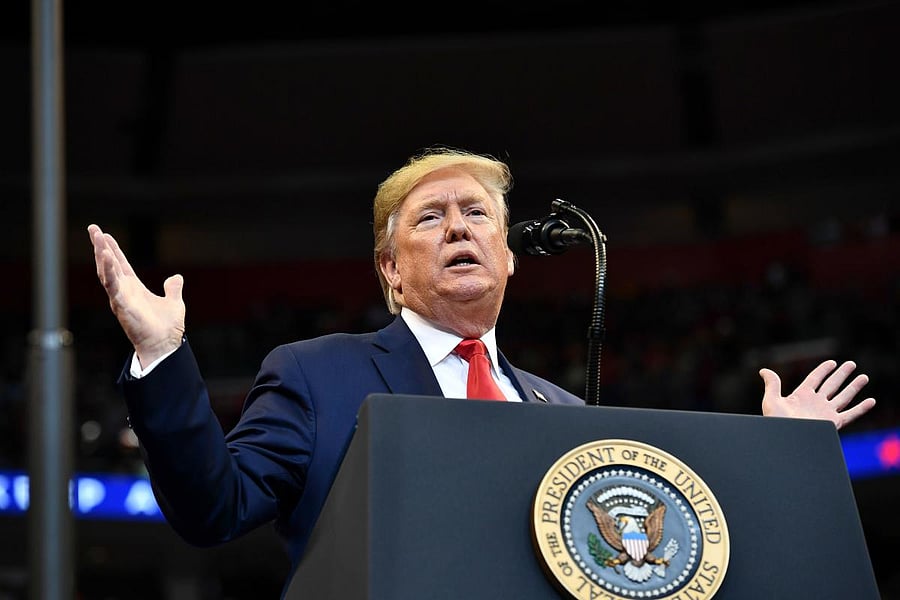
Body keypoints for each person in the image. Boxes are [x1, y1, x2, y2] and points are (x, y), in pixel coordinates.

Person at [87, 147, 876, 595]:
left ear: (508, 257)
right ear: (391, 271)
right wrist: (161, 358)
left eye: (477, 215)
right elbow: (213, 508)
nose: (458, 226)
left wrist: (780, 459)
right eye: (431, 219)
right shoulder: (317, 373)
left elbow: (657, 552)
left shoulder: (564, 409)